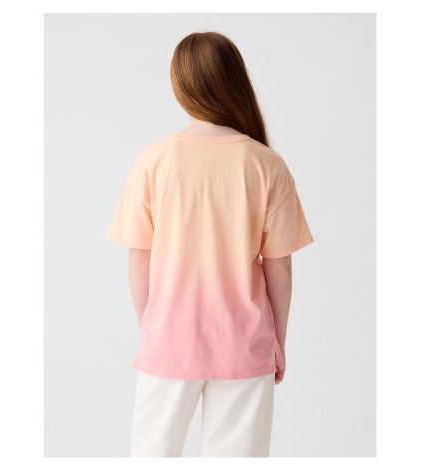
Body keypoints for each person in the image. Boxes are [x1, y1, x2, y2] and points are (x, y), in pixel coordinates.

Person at [106, 31, 314, 458]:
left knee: (151, 456)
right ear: (235, 80)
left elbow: (139, 262)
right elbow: (279, 266)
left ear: (180, 86)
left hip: (169, 341)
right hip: (244, 342)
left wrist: (153, 332)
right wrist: (278, 340)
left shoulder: (154, 161)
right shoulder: (267, 165)